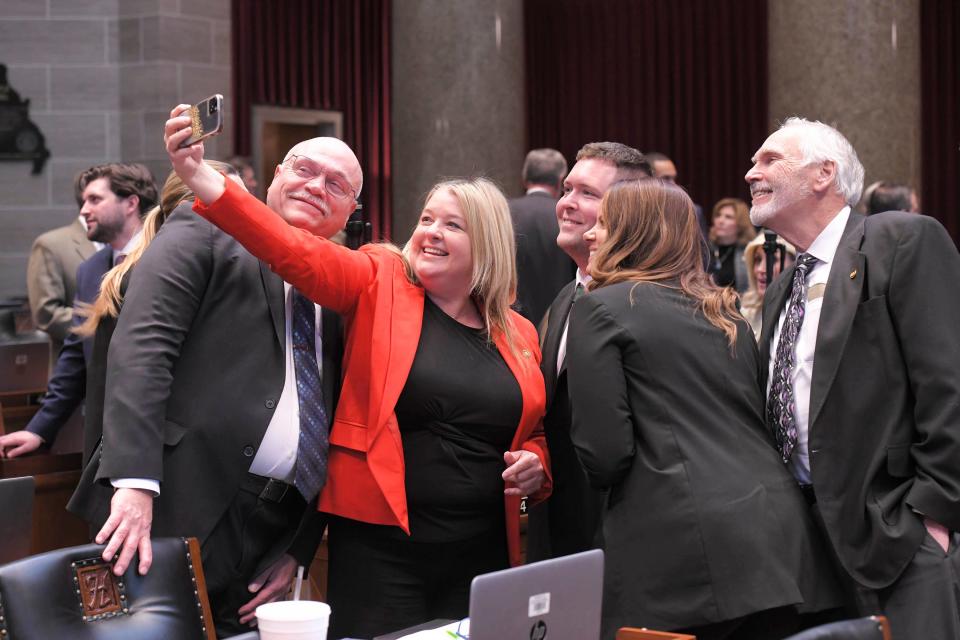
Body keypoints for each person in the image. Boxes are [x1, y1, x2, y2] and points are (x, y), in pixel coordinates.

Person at [163, 105, 552, 639]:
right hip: (382, 551)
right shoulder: (381, 276)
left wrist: (535, 464)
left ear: (485, 246)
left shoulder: (519, 333)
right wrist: (204, 181)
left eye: (452, 225)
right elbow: (294, 252)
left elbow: (533, 431)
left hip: (481, 548)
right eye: (426, 220)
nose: (430, 233)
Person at [69, 127, 347, 637]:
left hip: (271, 530)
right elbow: (144, 346)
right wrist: (133, 481)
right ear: (276, 175)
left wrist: (298, 546)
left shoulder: (340, 280)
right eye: (305, 170)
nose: (315, 186)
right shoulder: (208, 226)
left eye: (335, 184)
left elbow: (336, 412)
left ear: (350, 208)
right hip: (172, 502)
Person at [568, 179, 842, 640]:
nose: (590, 236)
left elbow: (605, 453)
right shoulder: (725, 311)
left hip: (684, 557)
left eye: (603, 225)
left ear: (633, 235)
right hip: (780, 539)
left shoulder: (600, 310)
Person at [747, 117, 960, 639]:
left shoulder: (901, 240)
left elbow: (948, 382)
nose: (751, 172)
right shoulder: (780, 290)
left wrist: (930, 514)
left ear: (824, 173)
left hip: (896, 534)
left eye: (770, 159)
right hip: (806, 549)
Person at [525, 142, 651, 563]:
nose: (566, 205)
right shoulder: (565, 298)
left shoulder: (646, 304)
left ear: (628, 211)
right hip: (558, 531)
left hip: (623, 537)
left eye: (587, 194)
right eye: (566, 190)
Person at [1, 163, 157, 459]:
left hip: (162, 434)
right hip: (104, 438)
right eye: (83, 201)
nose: (84, 210)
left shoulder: (165, 256)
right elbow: (75, 355)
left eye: (95, 199)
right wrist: (38, 429)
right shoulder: (91, 271)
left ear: (131, 203)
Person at [25, 175, 100, 366]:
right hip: (75, 370)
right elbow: (47, 314)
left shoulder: (131, 243)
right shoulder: (51, 244)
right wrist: (106, 324)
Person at [509, 148, 575, 326]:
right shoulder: (571, 217)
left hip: (509, 324)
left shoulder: (501, 213)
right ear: (561, 180)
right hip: (558, 325)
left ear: (524, 178)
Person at [739, 231, 796, 338]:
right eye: (758, 260)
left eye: (773, 260)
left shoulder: (800, 313)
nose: (761, 269)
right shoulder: (746, 313)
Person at [707, 197, 754, 292]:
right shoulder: (706, 248)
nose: (720, 221)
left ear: (741, 224)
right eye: (718, 215)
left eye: (728, 217)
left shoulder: (750, 251)